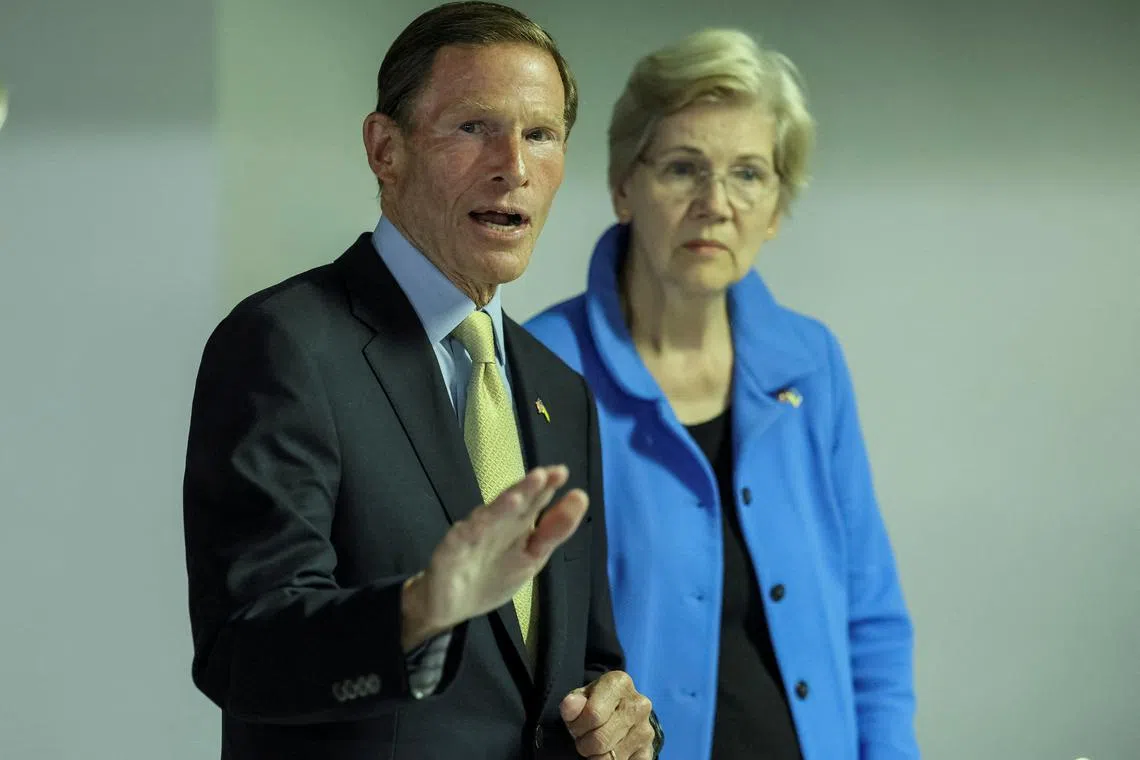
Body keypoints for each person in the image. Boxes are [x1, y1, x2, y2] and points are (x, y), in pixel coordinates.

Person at [182, 4, 663, 759]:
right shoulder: (286, 345)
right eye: (473, 127)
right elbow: (243, 652)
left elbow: (583, 664)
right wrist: (417, 613)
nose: (514, 164)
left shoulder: (558, 389)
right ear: (385, 149)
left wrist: (620, 717)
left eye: (541, 134)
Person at [526, 29, 919, 760]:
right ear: (622, 186)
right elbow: (517, 654)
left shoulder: (810, 362)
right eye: (683, 169)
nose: (716, 203)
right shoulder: (542, 369)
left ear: (775, 207)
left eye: (748, 174)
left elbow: (871, 620)